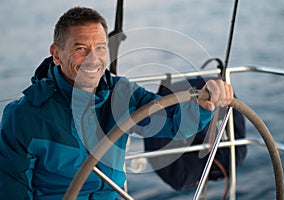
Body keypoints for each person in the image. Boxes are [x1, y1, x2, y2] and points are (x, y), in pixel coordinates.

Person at [0, 7, 233, 199]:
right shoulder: (23, 116)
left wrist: (203, 102)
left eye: (100, 48)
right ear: (57, 54)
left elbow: (172, 122)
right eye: (80, 48)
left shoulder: (122, 93)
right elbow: (13, 190)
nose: (93, 58)